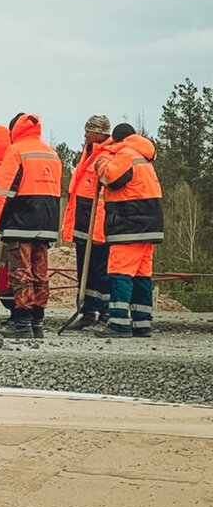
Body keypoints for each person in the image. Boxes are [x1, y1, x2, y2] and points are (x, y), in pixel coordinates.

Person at [0, 113, 62, 339]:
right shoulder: (51, 153)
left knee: (21, 272)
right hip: (47, 222)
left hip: (21, 220)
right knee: (40, 273)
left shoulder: (16, 151)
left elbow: (4, 190)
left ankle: (21, 323)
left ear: (14, 131)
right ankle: (37, 323)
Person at [93, 123, 164, 339]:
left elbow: (111, 179)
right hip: (149, 226)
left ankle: (118, 323)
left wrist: (101, 161)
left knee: (120, 273)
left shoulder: (126, 154)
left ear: (117, 140)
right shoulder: (143, 156)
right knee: (142, 275)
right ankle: (142, 323)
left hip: (129, 224)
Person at [60, 115, 113, 330]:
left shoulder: (108, 154)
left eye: (88, 131)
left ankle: (105, 312)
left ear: (99, 133)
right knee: (85, 269)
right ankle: (87, 310)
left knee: (101, 271)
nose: (84, 135)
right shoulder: (88, 154)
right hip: (83, 222)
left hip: (98, 224)